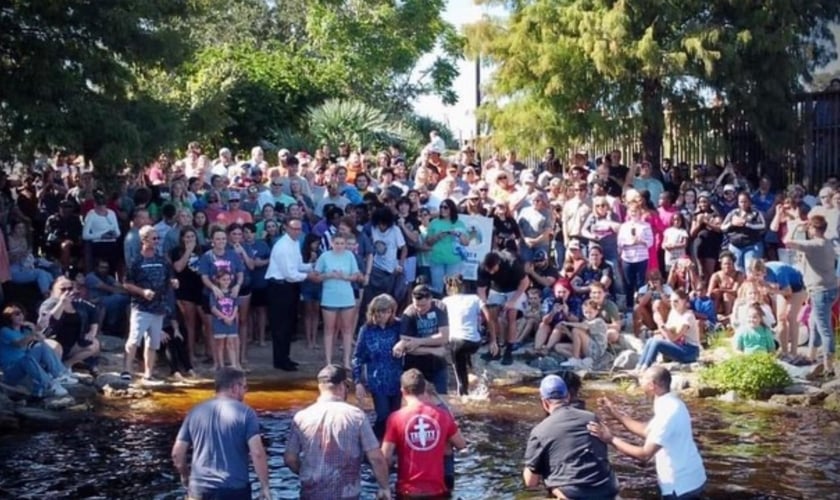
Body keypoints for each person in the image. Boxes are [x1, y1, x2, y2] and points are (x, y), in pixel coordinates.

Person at [588, 366, 707, 499]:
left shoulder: (667, 413)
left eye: (642, 379)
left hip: (680, 487)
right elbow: (647, 430)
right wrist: (615, 413)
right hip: (693, 478)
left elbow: (644, 454)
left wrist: (610, 439)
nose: (640, 383)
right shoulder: (672, 403)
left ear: (652, 385)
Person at [284, 365, 391, 500]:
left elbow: (290, 459)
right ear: (341, 386)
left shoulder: (301, 417)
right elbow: (376, 458)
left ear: (320, 388)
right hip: (347, 494)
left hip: (311, 493)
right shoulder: (356, 416)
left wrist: (306, 472)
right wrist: (384, 487)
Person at [171, 367, 270, 500]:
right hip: (234, 489)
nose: (245, 392)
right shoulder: (246, 413)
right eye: (245, 387)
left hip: (198, 490)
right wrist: (265, 486)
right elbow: (257, 453)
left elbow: (177, 454)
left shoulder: (194, 412)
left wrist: (185, 477)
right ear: (235, 388)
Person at [522, 374, 618, 500]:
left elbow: (531, 483)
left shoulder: (540, 431)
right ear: (567, 397)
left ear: (544, 402)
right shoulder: (591, 418)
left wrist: (532, 464)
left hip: (574, 493)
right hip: (607, 489)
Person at [381, 369, 466, 499]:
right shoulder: (443, 415)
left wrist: (384, 487)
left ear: (403, 391)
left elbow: (384, 458)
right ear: (424, 389)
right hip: (437, 491)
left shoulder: (395, 418)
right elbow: (461, 444)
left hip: (407, 492)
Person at [122, 225, 178, 383]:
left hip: (158, 307)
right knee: (134, 339)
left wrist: (173, 282)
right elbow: (126, 283)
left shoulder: (162, 259)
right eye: (154, 238)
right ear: (144, 239)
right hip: (141, 307)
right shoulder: (136, 260)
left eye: (158, 238)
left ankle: (148, 373)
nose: (157, 241)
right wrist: (142, 292)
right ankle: (126, 370)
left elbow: (169, 277)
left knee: (153, 342)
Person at [784, 215, 838, 375]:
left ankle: (829, 365)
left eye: (810, 227)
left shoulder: (814, 245)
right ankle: (812, 357)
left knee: (824, 328)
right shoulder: (828, 243)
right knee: (813, 322)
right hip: (830, 288)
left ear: (814, 229)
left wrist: (796, 226)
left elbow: (787, 241)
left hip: (820, 290)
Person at [265, 217, 317, 371]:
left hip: (289, 287)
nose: (297, 231)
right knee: (280, 325)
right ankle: (279, 360)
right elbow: (290, 274)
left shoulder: (295, 243)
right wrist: (309, 276)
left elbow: (298, 266)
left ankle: (285, 357)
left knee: (288, 324)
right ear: (286, 228)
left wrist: (311, 266)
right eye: (294, 228)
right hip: (279, 287)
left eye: (299, 228)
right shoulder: (282, 246)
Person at [353, 294, 404, 439]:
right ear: (373, 311)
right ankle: (372, 443)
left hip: (396, 379)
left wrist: (403, 344)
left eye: (387, 311)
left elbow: (409, 342)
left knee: (395, 416)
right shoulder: (366, 330)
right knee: (383, 415)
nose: (384, 315)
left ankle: (390, 447)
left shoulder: (398, 326)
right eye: (380, 311)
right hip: (377, 381)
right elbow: (357, 357)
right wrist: (358, 382)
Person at [1, 304, 76, 398]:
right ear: (9, 317)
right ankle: (48, 385)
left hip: (27, 365)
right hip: (11, 370)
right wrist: (32, 335)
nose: (20, 316)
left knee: (41, 346)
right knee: (26, 359)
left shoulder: (24, 331)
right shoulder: (5, 331)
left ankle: (60, 375)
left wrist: (34, 328)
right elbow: (19, 344)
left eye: (21, 313)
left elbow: (41, 340)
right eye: (16, 314)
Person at [314, 233, 362, 368]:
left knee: (347, 330)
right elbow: (316, 277)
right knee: (329, 329)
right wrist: (327, 275)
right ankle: (328, 361)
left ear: (345, 244)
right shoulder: (324, 256)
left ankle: (346, 360)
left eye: (342, 243)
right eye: (337, 243)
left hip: (346, 296)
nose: (339, 246)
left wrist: (345, 277)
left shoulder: (350, 256)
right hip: (329, 297)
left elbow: (356, 275)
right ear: (332, 243)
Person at [37, 276, 101, 374]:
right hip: (52, 342)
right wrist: (61, 303)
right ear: (53, 290)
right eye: (63, 289)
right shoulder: (48, 304)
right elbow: (49, 322)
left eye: (70, 288)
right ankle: (54, 372)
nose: (67, 292)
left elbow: (94, 312)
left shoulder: (77, 303)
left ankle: (66, 365)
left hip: (71, 345)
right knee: (55, 347)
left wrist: (92, 331)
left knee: (94, 344)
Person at [477, 250, 530, 365]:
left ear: (499, 263)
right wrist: (483, 302)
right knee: (490, 316)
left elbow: (525, 282)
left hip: (514, 289)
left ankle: (509, 350)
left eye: (493, 269)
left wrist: (513, 301)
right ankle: (494, 347)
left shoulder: (512, 262)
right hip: (496, 289)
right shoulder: (482, 266)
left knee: (511, 315)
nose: (491, 272)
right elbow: (481, 288)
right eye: (488, 270)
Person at [397, 284, 450, 395]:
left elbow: (444, 337)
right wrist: (433, 350)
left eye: (424, 306)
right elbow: (406, 346)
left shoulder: (440, 308)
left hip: (437, 364)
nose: (420, 309)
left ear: (430, 299)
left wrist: (418, 341)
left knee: (441, 397)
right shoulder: (408, 313)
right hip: (415, 365)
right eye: (417, 305)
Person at [636, 290, 701, 371]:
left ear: (684, 301)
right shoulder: (673, 312)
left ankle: (645, 368)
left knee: (657, 343)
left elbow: (673, 338)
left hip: (690, 351)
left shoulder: (688, 317)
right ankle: (639, 366)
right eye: (671, 301)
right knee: (651, 340)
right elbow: (668, 330)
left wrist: (660, 323)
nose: (673, 304)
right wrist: (657, 331)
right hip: (679, 346)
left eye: (676, 301)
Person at [440, 274, 482, 396]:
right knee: (464, 350)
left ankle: (462, 394)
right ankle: (470, 366)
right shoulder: (475, 298)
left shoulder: (446, 301)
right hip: (475, 342)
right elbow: (486, 316)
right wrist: (493, 340)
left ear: (448, 287)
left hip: (456, 343)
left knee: (460, 376)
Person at [209, 270, 240, 371]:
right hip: (219, 322)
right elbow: (213, 308)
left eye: (228, 279)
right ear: (218, 280)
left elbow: (236, 306)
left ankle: (234, 365)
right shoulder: (214, 294)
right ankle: (221, 366)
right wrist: (224, 317)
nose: (226, 282)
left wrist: (231, 317)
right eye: (223, 280)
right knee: (220, 344)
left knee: (231, 343)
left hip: (231, 322)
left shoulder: (233, 292)